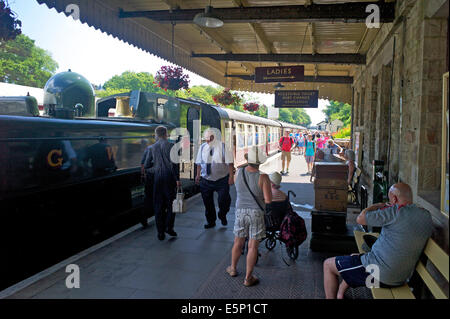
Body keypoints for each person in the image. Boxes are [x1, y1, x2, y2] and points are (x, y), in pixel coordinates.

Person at [323, 183, 433, 299]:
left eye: (390, 199)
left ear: (394, 199)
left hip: (379, 275)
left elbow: (360, 219)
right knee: (354, 258)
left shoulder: (395, 212)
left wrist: (377, 205)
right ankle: (340, 293)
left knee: (328, 265)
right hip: (401, 277)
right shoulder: (426, 215)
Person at [226, 147, 272, 287]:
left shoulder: (238, 172)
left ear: (248, 160)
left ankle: (233, 269)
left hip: (240, 211)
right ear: (260, 162)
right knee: (252, 246)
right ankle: (248, 278)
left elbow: (231, 182)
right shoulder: (263, 177)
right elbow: (268, 200)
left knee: (238, 242)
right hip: (256, 213)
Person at [144, 126, 181, 241]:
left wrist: (155, 171)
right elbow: (175, 165)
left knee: (158, 206)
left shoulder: (151, 148)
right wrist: (177, 179)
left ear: (156, 134)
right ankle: (169, 227)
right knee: (171, 205)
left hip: (157, 180)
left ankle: (160, 232)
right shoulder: (172, 146)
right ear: (166, 134)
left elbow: (146, 166)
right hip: (170, 179)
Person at [195, 129, 234, 229]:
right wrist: (198, 175)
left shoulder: (223, 147)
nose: (208, 140)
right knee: (208, 203)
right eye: (206, 138)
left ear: (214, 137)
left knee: (223, 200)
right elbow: (199, 163)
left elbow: (230, 163)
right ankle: (211, 221)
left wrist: (231, 177)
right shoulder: (202, 147)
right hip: (206, 179)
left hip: (221, 179)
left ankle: (222, 214)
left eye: (210, 138)